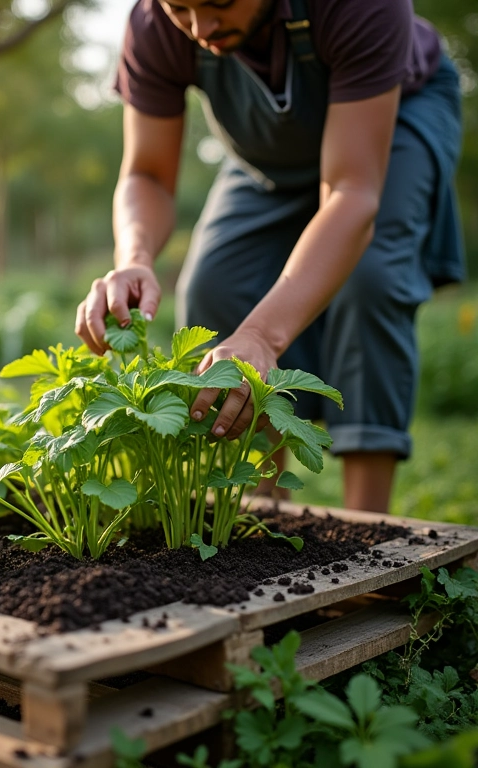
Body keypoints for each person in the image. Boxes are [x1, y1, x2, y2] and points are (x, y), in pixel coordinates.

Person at [74, 0, 464, 515]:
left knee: (369, 280)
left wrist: (262, 335)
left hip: (390, 121)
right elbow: (147, 173)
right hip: (267, 155)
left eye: (219, 3)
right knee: (215, 284)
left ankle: (372, 529)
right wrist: (135, 257)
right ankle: (259, 514)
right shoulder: (153, 25)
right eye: (181, 9)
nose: (201, 27)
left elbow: (351, 192)